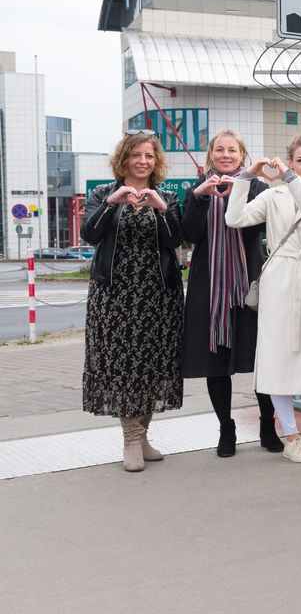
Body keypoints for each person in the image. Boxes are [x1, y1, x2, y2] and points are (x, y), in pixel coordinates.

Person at [224, 134, 301, 464]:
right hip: (282, 276)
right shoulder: (272, 196)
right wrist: (246, 177)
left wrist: (290, 181)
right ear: (290, 161)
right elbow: (233, 219)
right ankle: (290, 435)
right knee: (280, 355)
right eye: (299, 160)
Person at [81, 131, 184, 472]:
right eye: (136, 155)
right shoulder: (102, 194)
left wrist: (162, 208)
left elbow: (175, 240)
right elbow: (90, 235)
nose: (143, 161)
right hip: (115, 296)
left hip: (158, 294)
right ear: (123, 158)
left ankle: (143, 436)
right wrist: (113, 204)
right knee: (124, 365)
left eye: (149, 156)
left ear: (156, 162)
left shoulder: (166, 195)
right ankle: (130, 439)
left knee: (152, 364)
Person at [181, 129, 283, 457]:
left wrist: (241, 188)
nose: (226, 155)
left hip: (250, 286)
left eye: (233, 150)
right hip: (208, 288)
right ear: (211, 155)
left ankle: (268, 424)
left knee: (261, 358)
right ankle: (226, 428)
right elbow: (188, 234)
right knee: (216, 363)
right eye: (220, 150)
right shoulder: (198, 190)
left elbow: (259, 227)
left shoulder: (257, 187)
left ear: (243, 155)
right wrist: (198, 198)